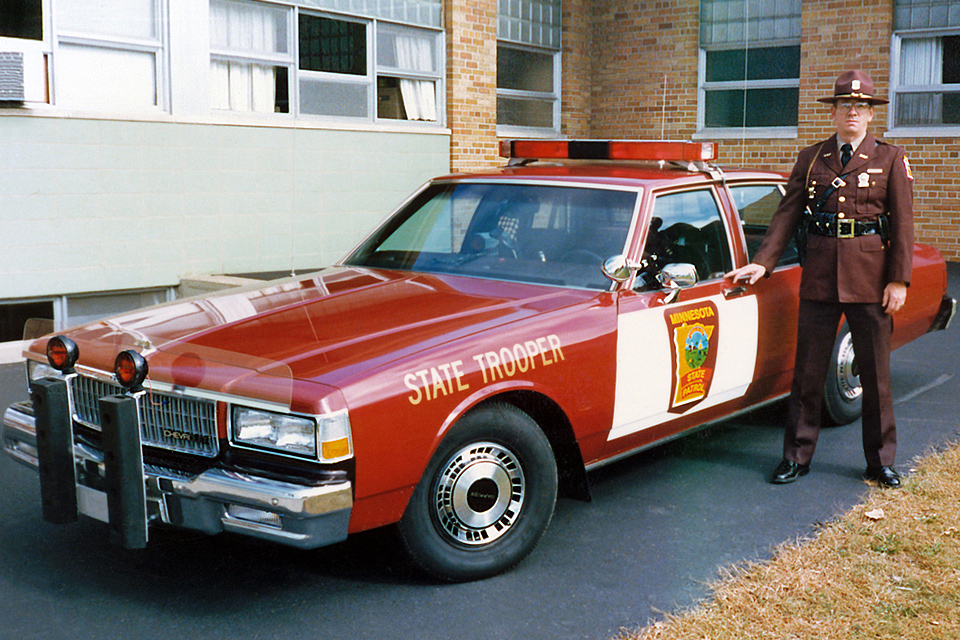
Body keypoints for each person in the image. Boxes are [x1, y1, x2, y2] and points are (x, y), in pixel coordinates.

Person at [727, 70, 914, 488]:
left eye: (860, 106)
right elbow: (787, 214)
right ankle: (796, 455)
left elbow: (903, 225)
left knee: (875, 375)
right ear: (833, 112)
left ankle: (880, 461)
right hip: (821, 276)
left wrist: (898, 280)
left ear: (871, 114)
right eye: (845, 105)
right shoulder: (812, 158)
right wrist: (764, 262)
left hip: (870, 278)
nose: (852, 112)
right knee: (808, 372)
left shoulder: (890, 158)